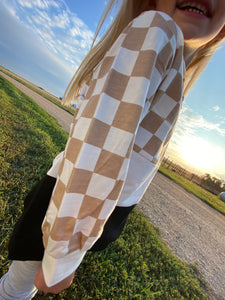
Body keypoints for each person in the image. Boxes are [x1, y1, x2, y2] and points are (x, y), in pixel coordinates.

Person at [1, 0, 225, 298]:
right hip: (65, 205)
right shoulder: (156, 31)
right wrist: (61, 258)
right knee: (15, 290)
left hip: (72, 206)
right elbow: (99, 152)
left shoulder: (169, 56)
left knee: (17, 287)